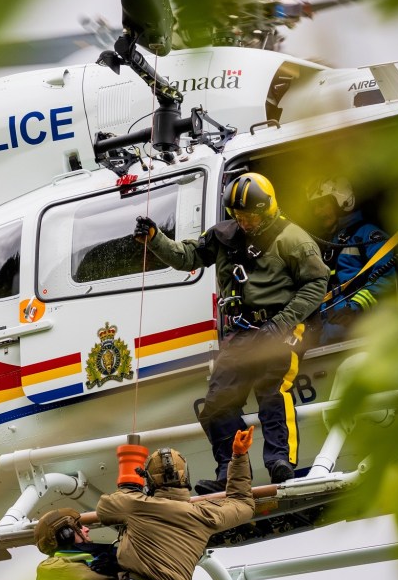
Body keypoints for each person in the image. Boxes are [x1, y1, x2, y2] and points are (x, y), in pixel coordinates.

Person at [134, 172, 329, 491]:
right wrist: (155, 238)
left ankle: (280, 461)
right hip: (242, 332)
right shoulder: (222, 236)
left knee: (272, 389)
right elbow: (187, 257)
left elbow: (316, 284)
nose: (245, 222)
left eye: (251, 216)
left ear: (268, 209)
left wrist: (281, 323)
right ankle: (230, 471)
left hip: (282, 327)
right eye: (239, 216)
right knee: (215, 405)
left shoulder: (294, 239)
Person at [32, 426, 257, 580]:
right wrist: (239, 456)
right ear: (186, 478)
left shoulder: (138, 506)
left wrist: (130, 486)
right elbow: (243, 503)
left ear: (150, 481)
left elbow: (105, 508)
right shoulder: (206, 515)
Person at [307, 177, 398, 344]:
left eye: (321, 204)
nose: (316, 213)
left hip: (358, 321)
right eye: (313, 207)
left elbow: (385, 278)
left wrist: (354, 308)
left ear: (342, 202)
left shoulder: (367, 235)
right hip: (330, 322)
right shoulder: (328, 242)